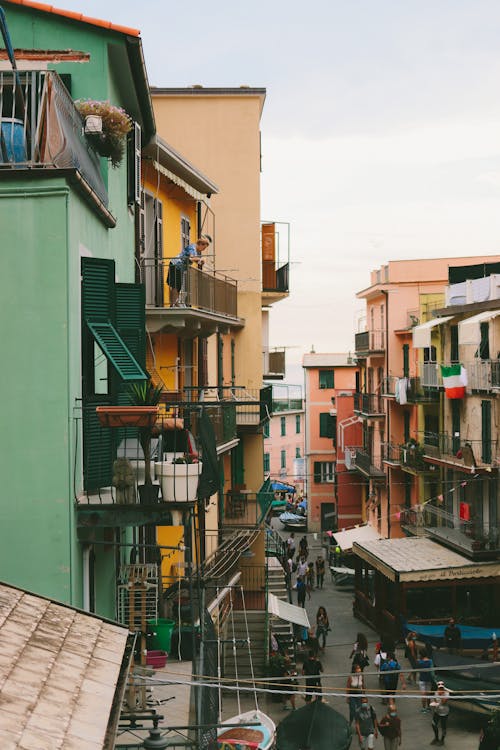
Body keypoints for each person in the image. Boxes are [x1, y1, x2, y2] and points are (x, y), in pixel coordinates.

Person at [167, 236, 210, 306]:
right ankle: (173, 304)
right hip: (176, 265)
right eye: (204, 248)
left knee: (178, 285)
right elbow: (191, 258)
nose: (203, 250)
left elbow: (194, 260)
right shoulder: (192, 248)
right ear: (201, 244)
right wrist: (200, 259)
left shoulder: (195, 250)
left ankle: (175, 303)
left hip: (179, 267)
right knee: (175, 285)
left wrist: (200, 262)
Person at [430, 681, 450, 746]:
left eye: (442, 688)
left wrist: (441, 695)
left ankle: (442, 740)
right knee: (433, 724)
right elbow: (435, 700)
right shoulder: (436, 692)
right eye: (439, 688)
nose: (441, 689)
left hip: (444, 712)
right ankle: (436, 738)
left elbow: (444, 702)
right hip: (437, 711)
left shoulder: (447, 693)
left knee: (443, 727)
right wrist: (435, 704)